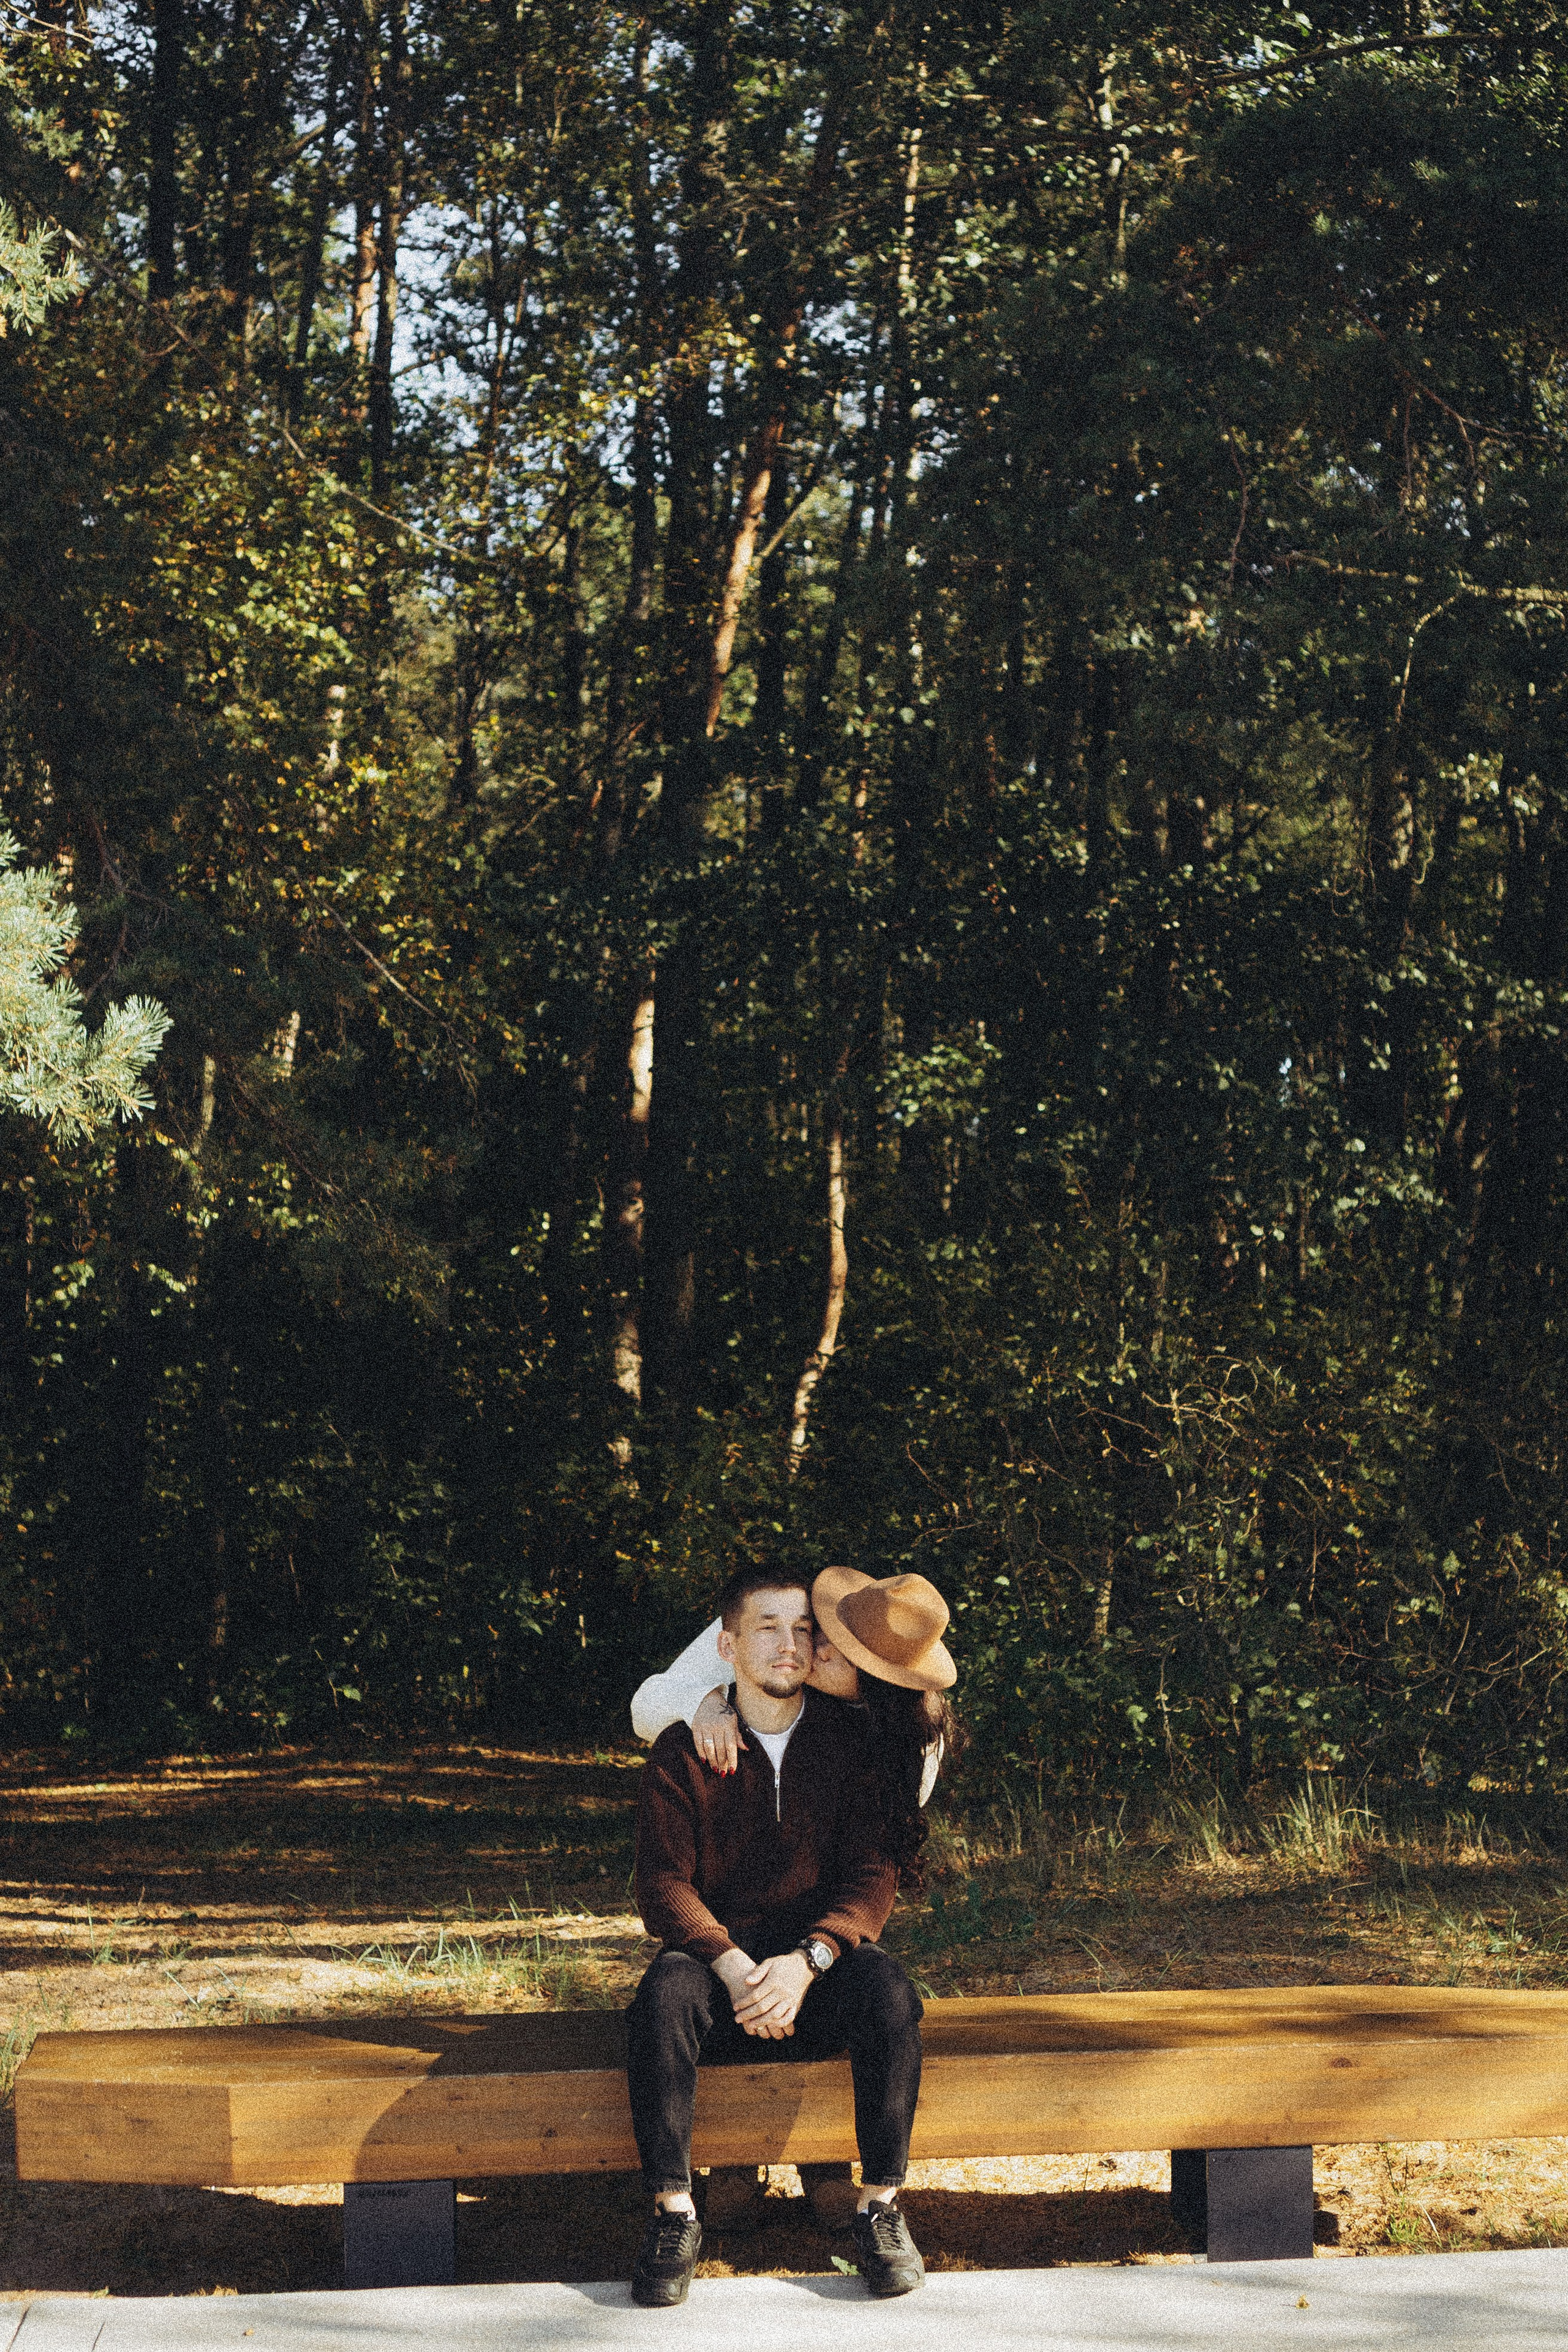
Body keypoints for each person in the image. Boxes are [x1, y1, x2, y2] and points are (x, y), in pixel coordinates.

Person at [625, 1565, 934, 2309]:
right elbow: (664, 1885)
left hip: (815, 1970)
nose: (792, 1647)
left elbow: (871, 1879)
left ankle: (880, 2208)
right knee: (663, 1994)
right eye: (770, 1630)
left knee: (891, 1992)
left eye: (804, 1632)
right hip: (721, 1966)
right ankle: (674, 2214)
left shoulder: (872, 1747)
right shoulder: (685, 1749)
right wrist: (732, 1966)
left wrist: (808, 1961)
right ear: (726, 1647)